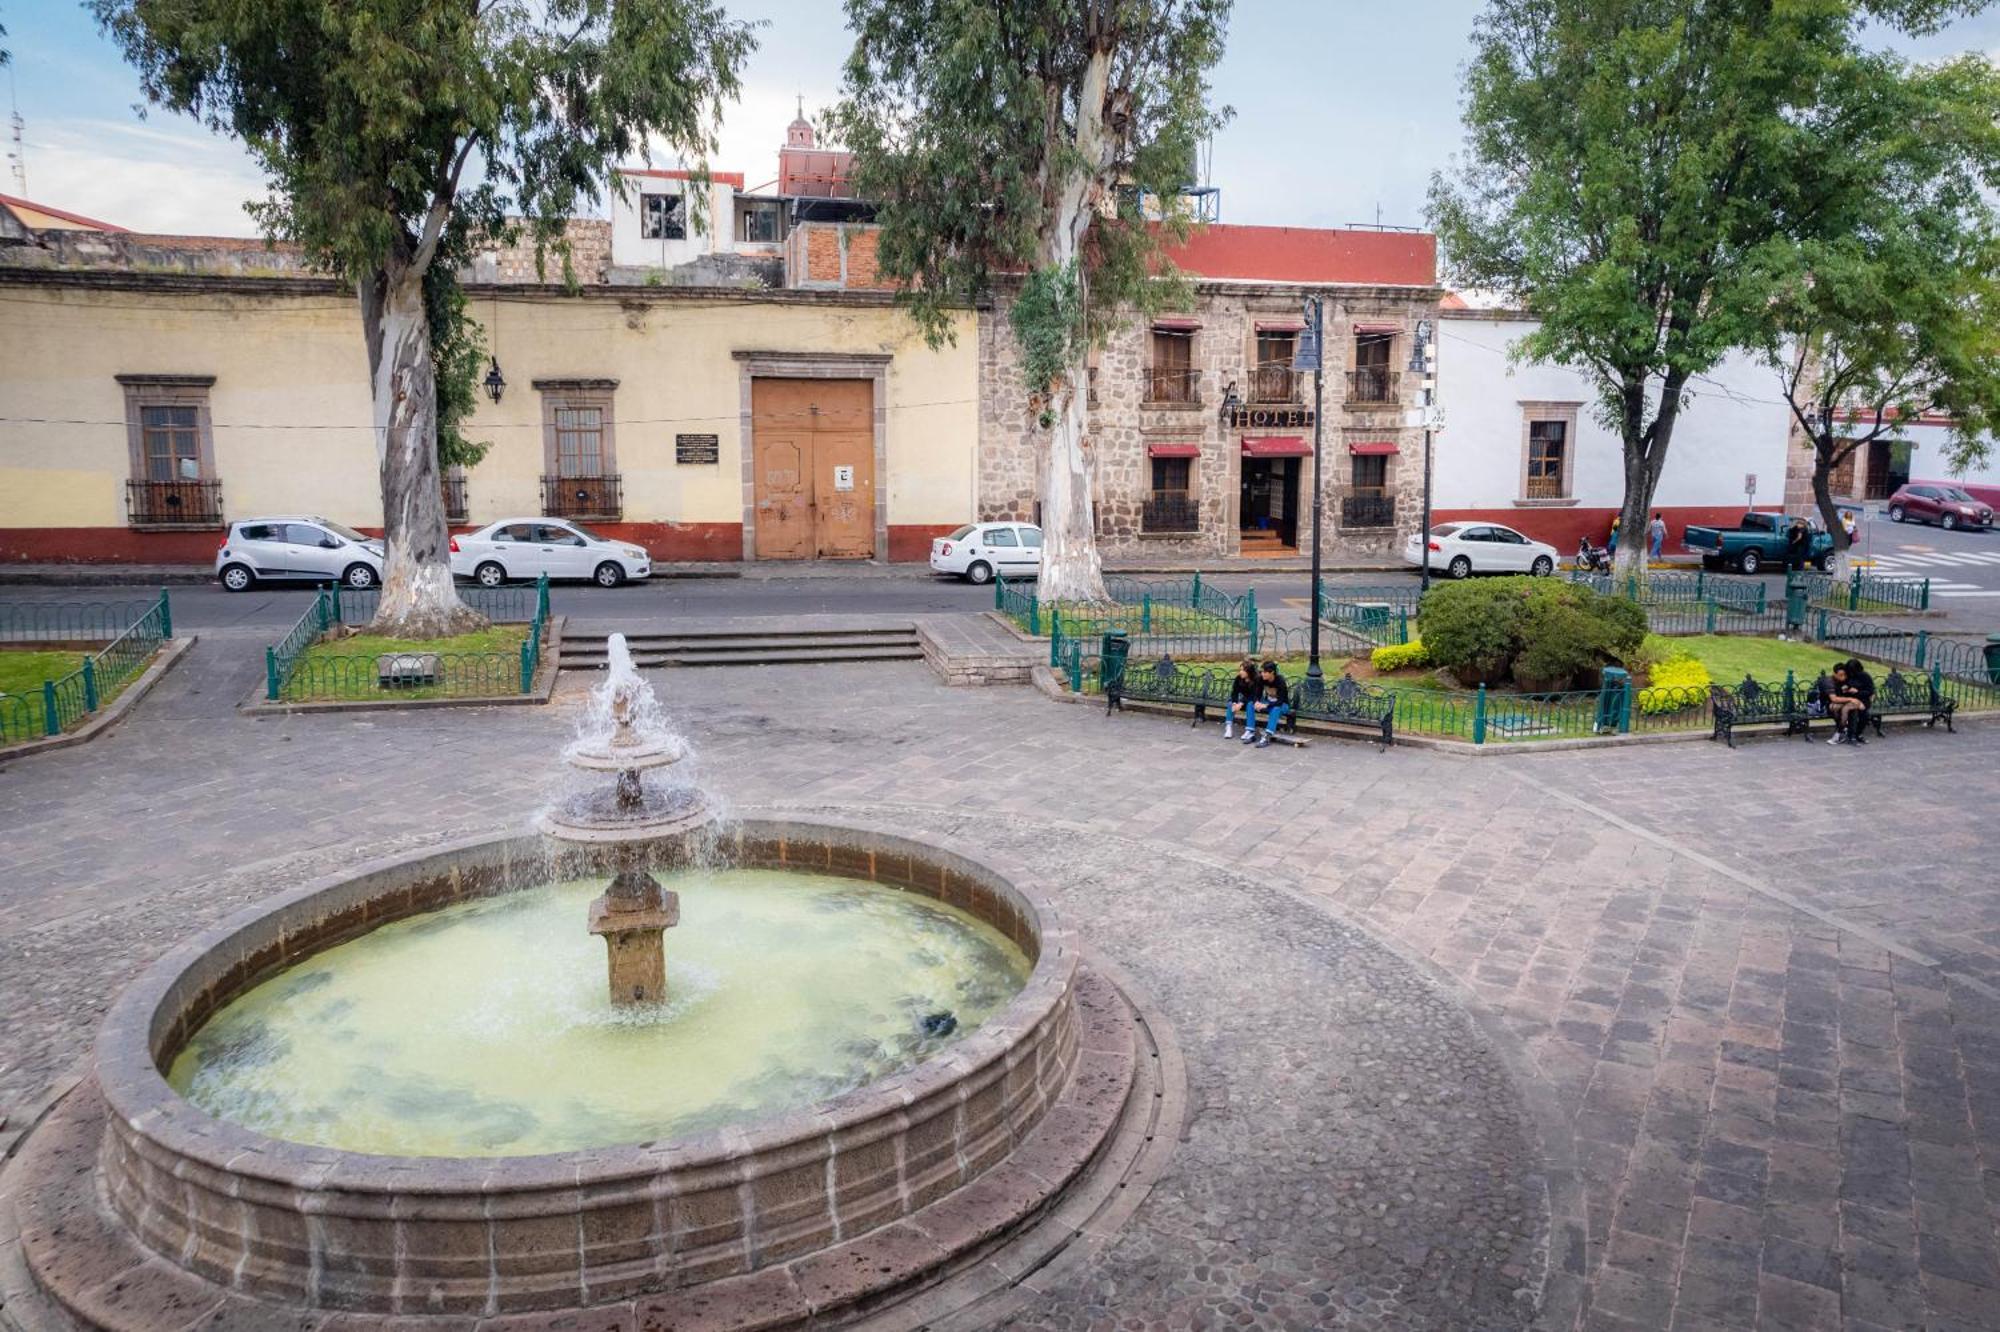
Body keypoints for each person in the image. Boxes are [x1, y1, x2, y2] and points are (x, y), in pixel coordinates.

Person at [1244, 659, 1290, 748]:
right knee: (1250, 704)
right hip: (1268, 704)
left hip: (1282, 706)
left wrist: (1266, 705)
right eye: (1262, 672)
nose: (1262, 674)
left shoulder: (1280, 681)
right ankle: (1250, 733)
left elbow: (1280, 701)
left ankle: (1267, 736)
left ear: (1272, 672)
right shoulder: (1261, 679)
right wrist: (1256, 702)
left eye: (1265, 672)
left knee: (1276, 709)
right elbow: (1257, 694)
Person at [1222, 658, 1258, 740]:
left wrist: (1241, 703)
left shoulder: (1256, 680)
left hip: (1254, 700)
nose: (1240, 672)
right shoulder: (1239, 678)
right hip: (1244, 699)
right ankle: (1228, 727)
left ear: (1249, 672)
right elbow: (1234, 692)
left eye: (1243, 670)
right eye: (1240, 670)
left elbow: (1253, 695)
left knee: (1250, 704)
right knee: (1231, 703)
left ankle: (1249, 730)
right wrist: (1235, 703)